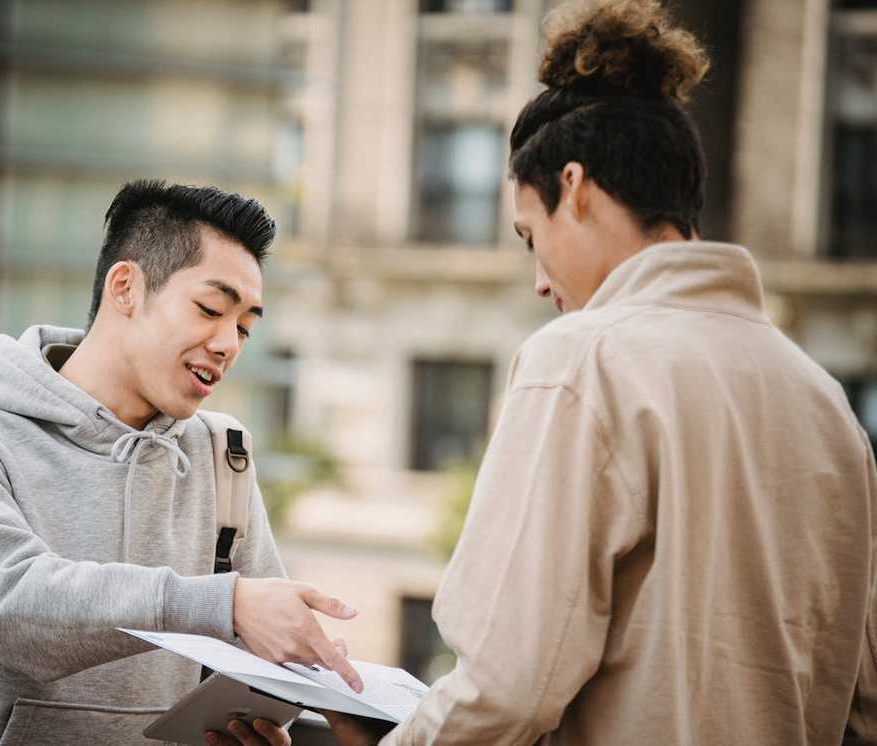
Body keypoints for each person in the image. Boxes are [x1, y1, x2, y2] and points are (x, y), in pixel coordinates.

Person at [265, 1, 876, 744]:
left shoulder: (584, 358)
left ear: (577, 187)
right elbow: (862, 701)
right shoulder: (826, 404)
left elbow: (509, 685)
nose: (539, 282)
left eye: (530, 235)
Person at [0, 180, 362, 746]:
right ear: (125, 288)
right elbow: (5, 609)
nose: (228, 344)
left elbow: (253, 645)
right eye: (210, 310)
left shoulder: (222, 457)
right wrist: (222, 602)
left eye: (243, 327)